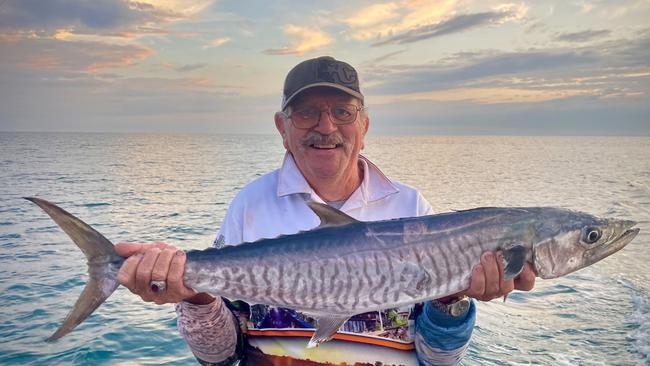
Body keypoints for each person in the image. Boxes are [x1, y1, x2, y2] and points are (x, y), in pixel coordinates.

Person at [115, 56, 536, 365]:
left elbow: (438, 360)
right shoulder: (251, 205)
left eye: (342, 112)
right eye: (306, 112)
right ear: (282, 128)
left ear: (364, 126)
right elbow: (220, 357)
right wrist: (196, 297)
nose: (326, 126)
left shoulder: (410, 208)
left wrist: (452, 302)